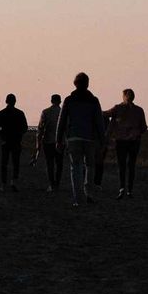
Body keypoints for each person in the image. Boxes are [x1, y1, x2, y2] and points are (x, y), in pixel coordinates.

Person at [55, 72, 105, 207]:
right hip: (90, 138)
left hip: (73, 137)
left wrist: (58, 139)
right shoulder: (94, 100)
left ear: (75, 84)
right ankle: (89, 193)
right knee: (90, 166)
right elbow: (99, 121)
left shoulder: (69, 100)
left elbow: (61, 121)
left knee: (75, 168)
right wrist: (102, 140)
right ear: (87, 84)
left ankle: (78, 198)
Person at [103, 88, 147, 199]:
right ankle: (129, 190)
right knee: (131, 165)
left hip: (121, 141)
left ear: (124, 96)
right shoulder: (139, 110)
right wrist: (136, 133)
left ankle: (122, 188)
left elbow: (106, 114)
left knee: (121, 165)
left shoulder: (118, 108)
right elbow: (144, 127)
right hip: (134, 141)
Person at [0, 93, 28, 192]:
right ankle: (14, 181)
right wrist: (19, 134)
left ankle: (3, 184)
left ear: (6, 101)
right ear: (15, 101)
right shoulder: (20, 113)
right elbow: (25, 127)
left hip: (5, 141)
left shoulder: (1, 113)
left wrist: (2, 135)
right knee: (15, 162)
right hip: (16, 141)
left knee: (4, 163)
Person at [35, 94, 63, 192]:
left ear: (51, 101)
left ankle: (51, 184)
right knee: (59, 164)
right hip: (60, 142)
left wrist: (38, 144)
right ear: (60, 101)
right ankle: (57, 184)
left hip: (48, 141)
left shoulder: (46, 112)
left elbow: (40, 129)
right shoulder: (63, 112)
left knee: (50, 164)